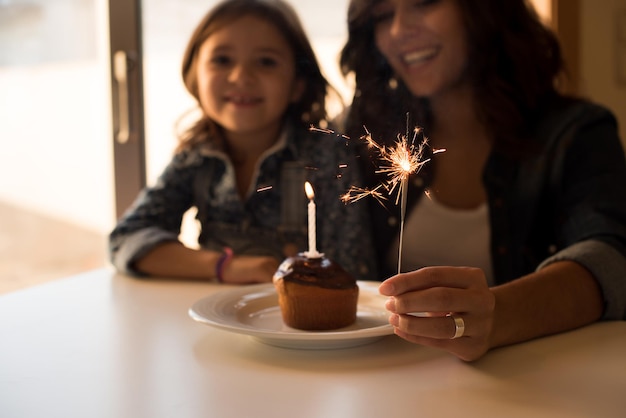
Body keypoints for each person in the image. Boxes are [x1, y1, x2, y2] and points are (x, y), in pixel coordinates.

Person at [340, 0, 626, 361]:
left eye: (424, 3)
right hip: (380, 381)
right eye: (382, 16)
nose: (397, 30)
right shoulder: (366, 132)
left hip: (532, 389)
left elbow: (612, 257)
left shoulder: (574, 133)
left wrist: (500, 314)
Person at [109, 0, 376, 284]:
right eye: (222, 60)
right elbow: (126, 239)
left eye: (266, 62)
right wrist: (226, 266)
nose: (241, 77)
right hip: (215, 318)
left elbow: (355, 275)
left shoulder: (326, 157)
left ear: (298, 83)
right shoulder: (197, 157)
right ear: (195, 76)